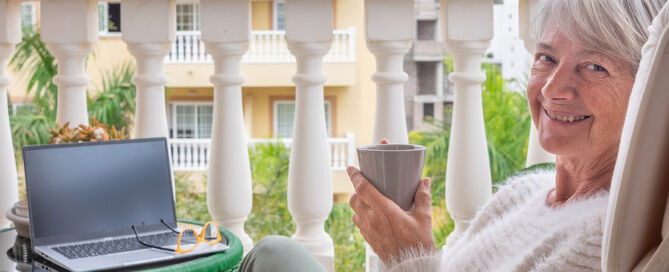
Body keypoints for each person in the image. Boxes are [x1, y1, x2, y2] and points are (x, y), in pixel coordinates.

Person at [238, 0, 667, 271]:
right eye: (546, 57)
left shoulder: (600, 235)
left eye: (594, 67)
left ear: (645, 91)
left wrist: (410, 258)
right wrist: (405, 238)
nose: (554, 89)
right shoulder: (522, 195)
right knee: (276, 252)